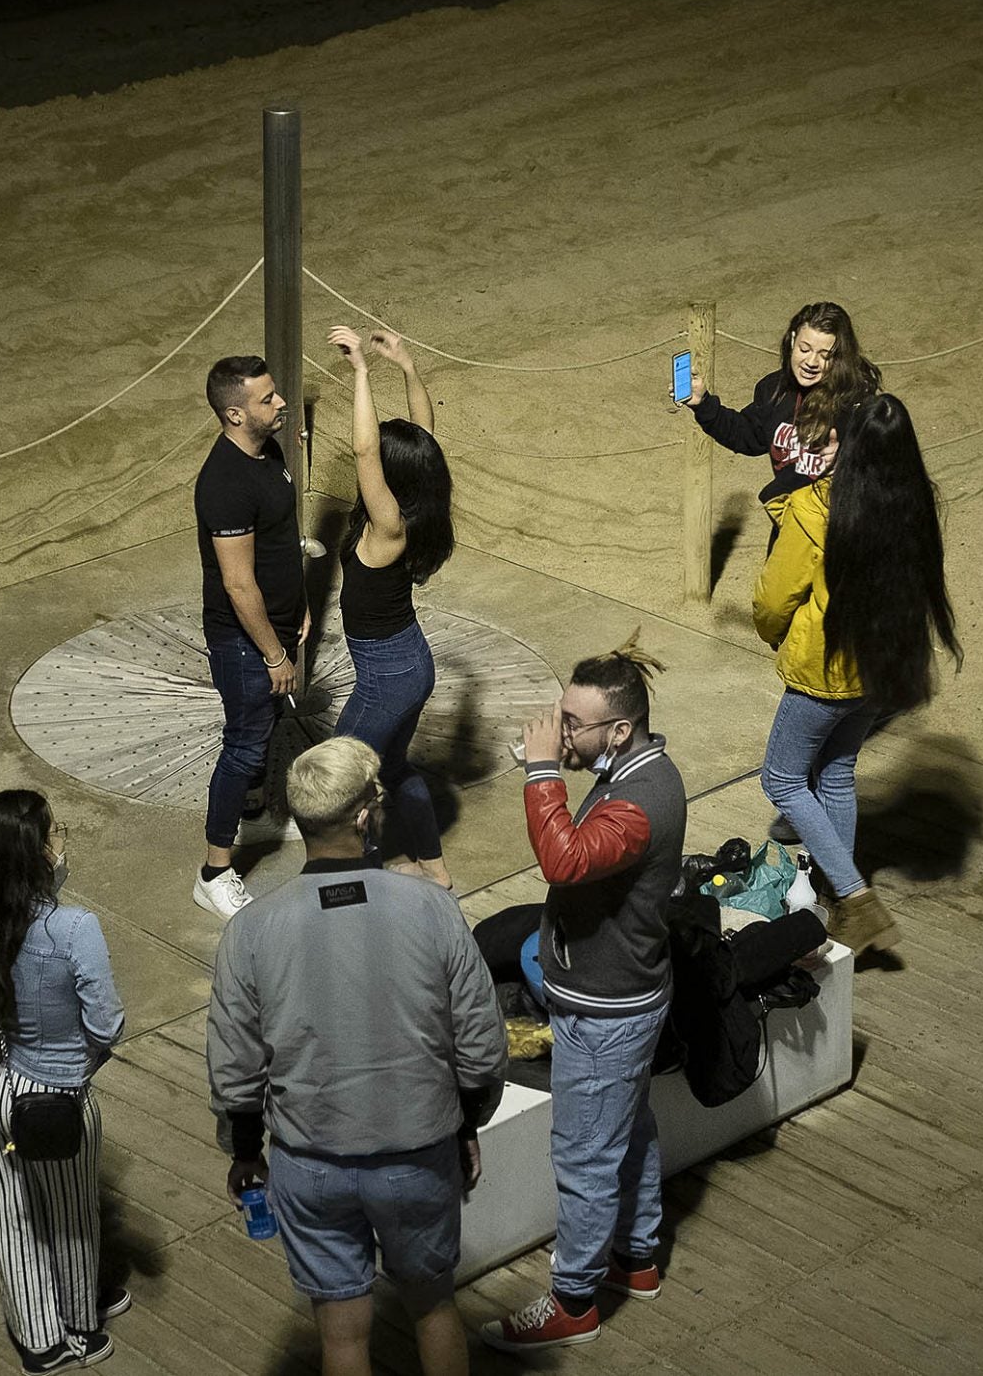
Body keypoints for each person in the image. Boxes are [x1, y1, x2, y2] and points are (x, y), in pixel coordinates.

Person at [209, 737, 506, 1376]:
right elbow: (481, 1048)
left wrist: (241, 1149)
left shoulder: (252, 930)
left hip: (308, 1164)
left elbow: (235, 1068)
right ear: (366, 815)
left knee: (342, 1336)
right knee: (432, 1308)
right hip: (418, 1158)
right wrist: (468, 1124)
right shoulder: (432, 907)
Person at [483, 639, 687, 1354]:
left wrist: (542, 772)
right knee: (628, 1129)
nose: (559, 730)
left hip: (606, 1011)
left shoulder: (640, 801)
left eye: (573, 722)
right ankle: (636, 1259)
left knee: (584, 1154)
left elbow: (565, 859)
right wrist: (554, 762)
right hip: (621, 994)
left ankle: (574, 1302)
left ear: (620, 730)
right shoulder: (630, 766)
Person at [751, 393, 959, 954]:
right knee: (836, 771)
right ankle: (836, 893)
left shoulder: (819, 506)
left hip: (824, 670)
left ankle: (855, 898)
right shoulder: (917, 501)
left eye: (839, 435)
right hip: (881, 668)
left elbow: (774, 597)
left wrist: (775, 633)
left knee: (783, 779)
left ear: (852, 445)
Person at [0, 790, 132, 1373]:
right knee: (73, 1214)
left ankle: (36, 1336)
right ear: (36, 854)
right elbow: (107, 1023)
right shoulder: (73, 929)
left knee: (12, 1212)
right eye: (57, 833)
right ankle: (80, 1326)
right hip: (52, 1098)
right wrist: (79, 1070)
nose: (63, 840)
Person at [325, 323, 457, 889]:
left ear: (390, 479)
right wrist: (406, 366)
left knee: (339, 777)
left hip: (388, 675)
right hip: (408, 663)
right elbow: (423, 439)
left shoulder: (389, 528)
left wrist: (359, 372)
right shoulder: (419, 504)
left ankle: (364, 878)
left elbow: (363, 448)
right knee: (396, 768)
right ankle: (433, 866)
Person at [192, 354, 310, 919]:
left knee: (265, 724)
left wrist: (301, 606)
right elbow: (238, 586)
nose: (281, 402)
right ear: (235, 414)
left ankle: (256, 798)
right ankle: (214, 871)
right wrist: (275, 652)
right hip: (245, 640)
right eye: (267, 399)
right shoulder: (225, 484)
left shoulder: (269, 453)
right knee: (242, 743)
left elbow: (283, 540)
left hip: (279, 623)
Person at [681, 301, 881, 507]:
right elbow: (746, 435)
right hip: (790, 519)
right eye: (805, 349)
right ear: (793, 340)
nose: (811, 362)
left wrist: (846, 459)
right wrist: (703, 403)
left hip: (840, 522)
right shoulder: (773, 389)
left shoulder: (857, 400)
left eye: (825, 355)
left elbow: (885, 469)